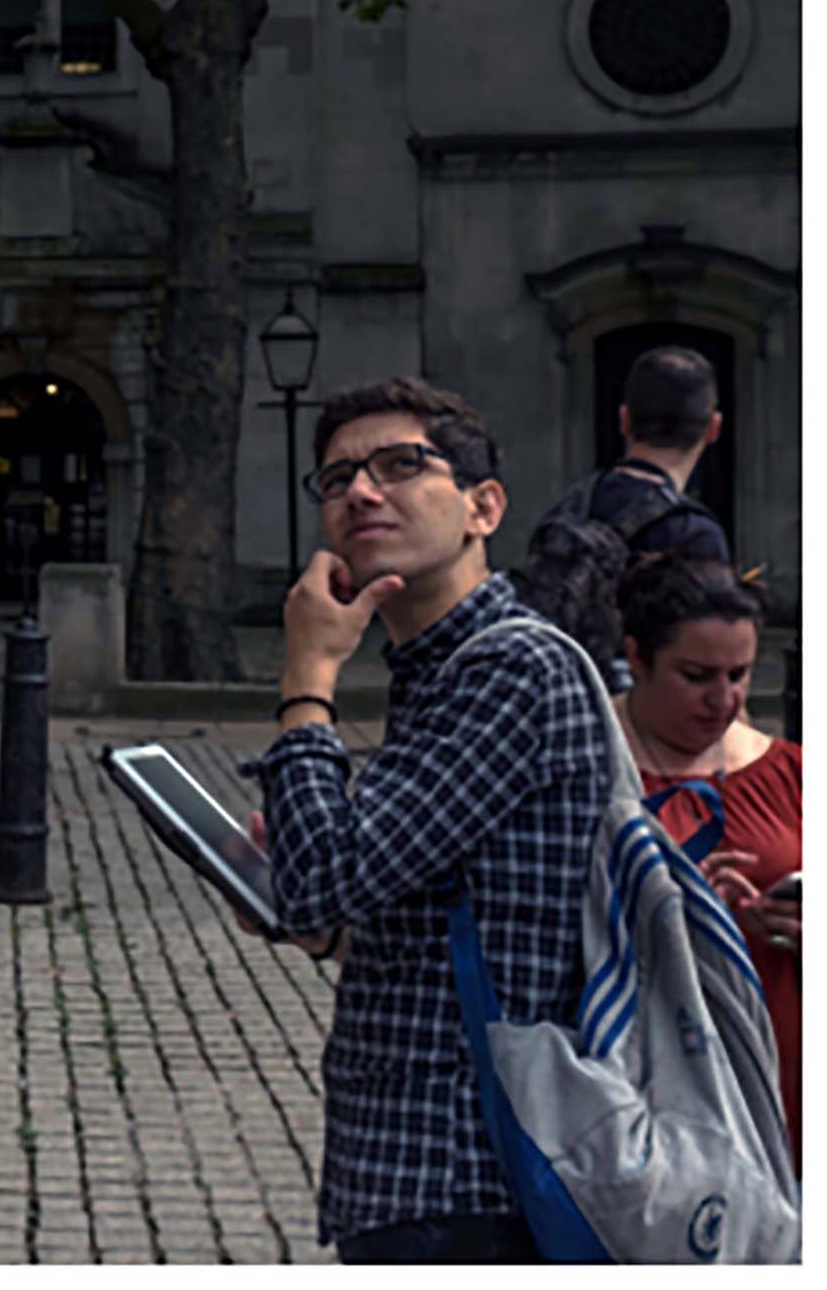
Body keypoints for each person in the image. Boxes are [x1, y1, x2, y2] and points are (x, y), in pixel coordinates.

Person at [252, 378, 606, 1263]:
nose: (362, 492)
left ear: (484, 506)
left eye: (401, 466)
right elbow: (394, 903)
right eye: (336, 480)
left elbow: (319, 884)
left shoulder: (510, 670)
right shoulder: (440, 671)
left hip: (467, 1174)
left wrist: (308, 678)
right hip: (418, 1170)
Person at [616, 553, 800, 1170]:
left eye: (740, 675)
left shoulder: (792, 773)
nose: (723, 699)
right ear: (636, 657)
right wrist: (677, 914)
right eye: (696, 675)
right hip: (644, 1093)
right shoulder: (585, 768)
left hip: (785, 1082)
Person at [515, 345, 729, 691]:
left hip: (558, 704)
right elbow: (709, 668)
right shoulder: (695, 533)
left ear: (624, 420)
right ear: (713, 429)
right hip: (642, 725)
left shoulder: (571, 507)